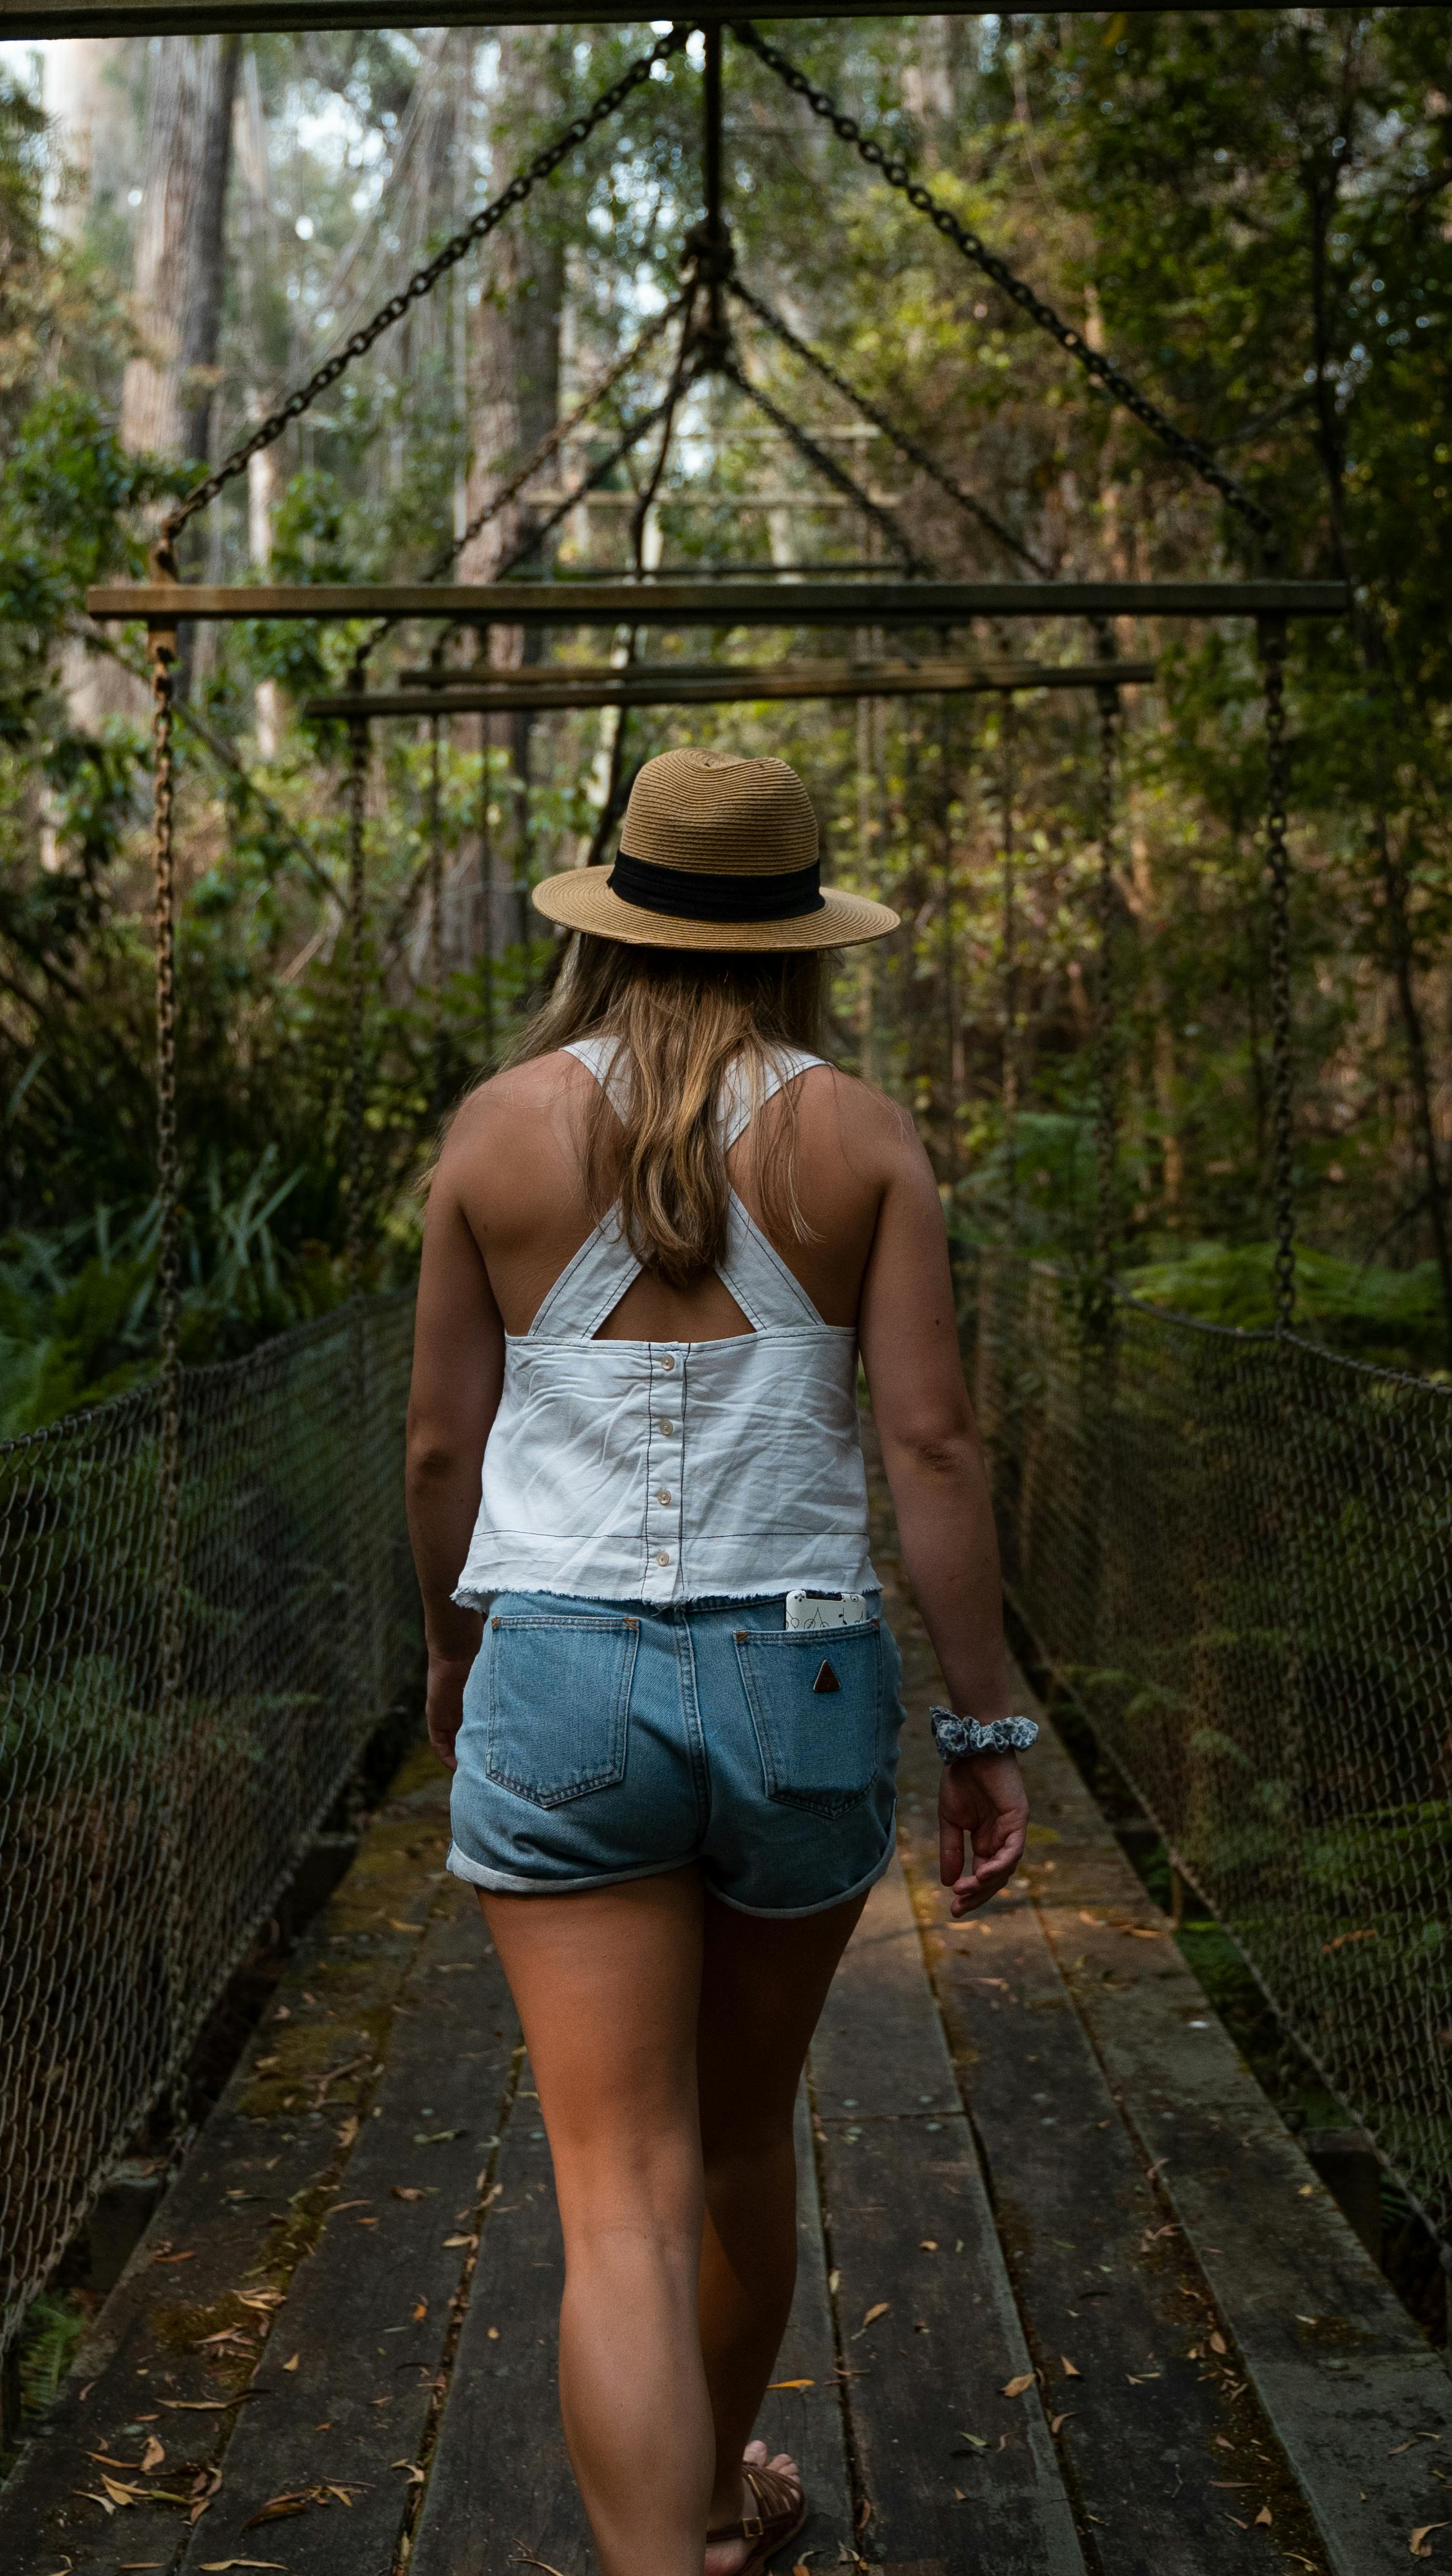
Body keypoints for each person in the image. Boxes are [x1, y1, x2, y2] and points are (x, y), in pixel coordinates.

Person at [404, 746, 1037, 2576]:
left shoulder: (497, 1130)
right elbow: (930, 1447)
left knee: (619, 2198)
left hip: (563, 1670)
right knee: (746, 2141)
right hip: (805, 1676)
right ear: (799, 942)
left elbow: (444, 1449)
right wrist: (984, 1725)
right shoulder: (864, 1138)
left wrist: (457, 1653)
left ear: (612, 922)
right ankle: (701, 2505)